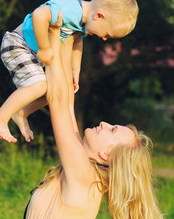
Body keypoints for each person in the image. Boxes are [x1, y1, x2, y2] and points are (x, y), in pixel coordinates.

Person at [24, 12, 163, 219]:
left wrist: (55, 36)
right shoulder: (84, 168)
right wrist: (67, 36)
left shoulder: (84, 175)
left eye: (112, 130)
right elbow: (67, 101)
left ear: (106, 154)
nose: (104, 123)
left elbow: (58, 100)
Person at [0, 0, 139, 143]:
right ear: (99, 16)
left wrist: (75, 70)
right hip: (18, 44)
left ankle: (21, 112)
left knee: (52, 92)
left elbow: (78, 42)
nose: (104, 39)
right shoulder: (71, 9)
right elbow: (40, 16)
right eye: (107, 34)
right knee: (39, 86)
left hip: (32, 53)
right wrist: (44, 48)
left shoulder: (83, 22)